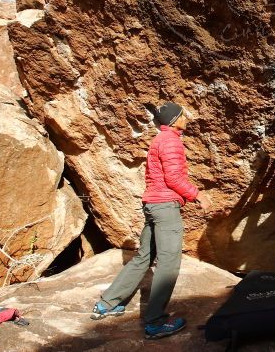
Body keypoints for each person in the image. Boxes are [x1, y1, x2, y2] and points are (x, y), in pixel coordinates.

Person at [90, 101, 212, 340]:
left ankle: (108, 303)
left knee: (144, 256)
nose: (186, 117)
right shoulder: (171, 142)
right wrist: (199, 196)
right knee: (169, 262)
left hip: (152, 204)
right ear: (175, 120)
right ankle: (154, 322)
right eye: (182, 115)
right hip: (165, 208)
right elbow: (174, 178)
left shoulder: (159, 140)